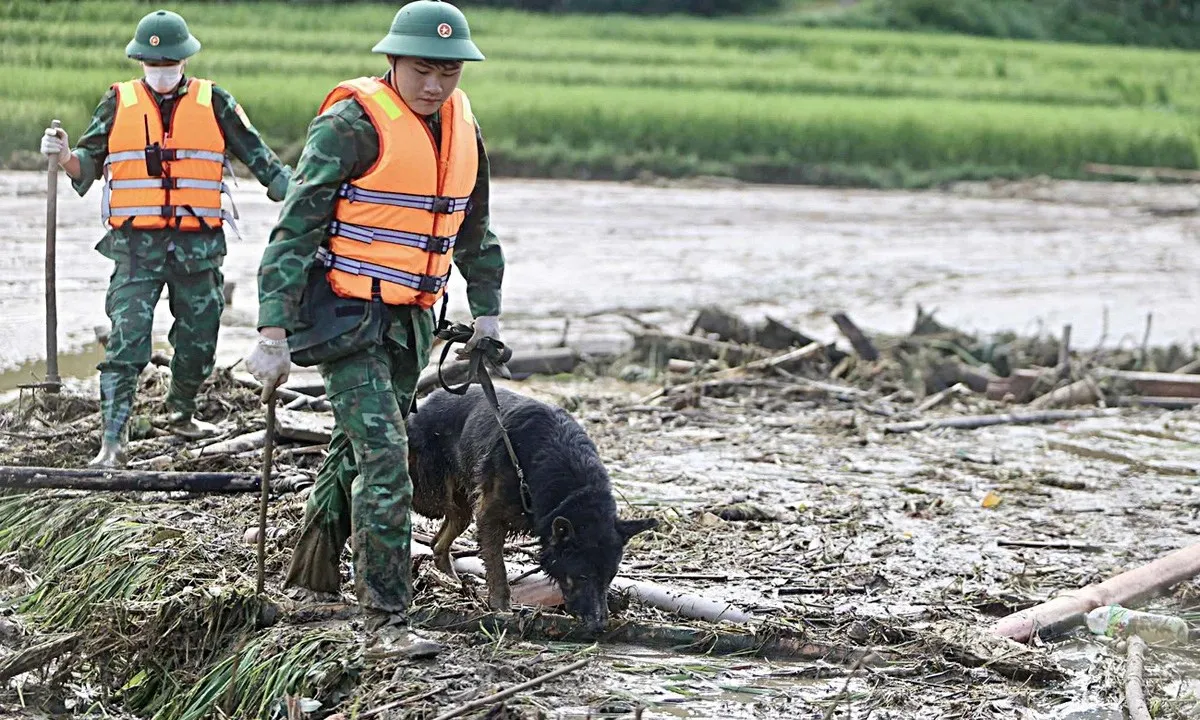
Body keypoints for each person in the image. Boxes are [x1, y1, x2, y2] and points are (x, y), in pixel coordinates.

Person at [245, 0, 506, 660]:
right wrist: (270, 332)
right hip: (344, 315)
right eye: (423, 70)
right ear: (393, 61)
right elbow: (294, 230)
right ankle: (384, 622)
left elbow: (472, 232)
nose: (435, 86)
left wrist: (489, 310)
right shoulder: (349, 125)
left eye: (449, 73)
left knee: (360, 438)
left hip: (412, 318)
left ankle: (312, 561)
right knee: (387, 457)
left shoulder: (463, 133)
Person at [39, 9, 293, 469]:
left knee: (199, 340)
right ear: (140, 63)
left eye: (169, 63)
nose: (161, 72)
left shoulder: (215, 102)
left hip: (198, 250)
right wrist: (62, 155)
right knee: (126, 341)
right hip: (135, 250)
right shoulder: (117, 103)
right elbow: (86, 164)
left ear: (184, 60)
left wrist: (305, 195)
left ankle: (180, 411)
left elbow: (265, 163)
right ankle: (112, 442)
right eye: (152, 65)